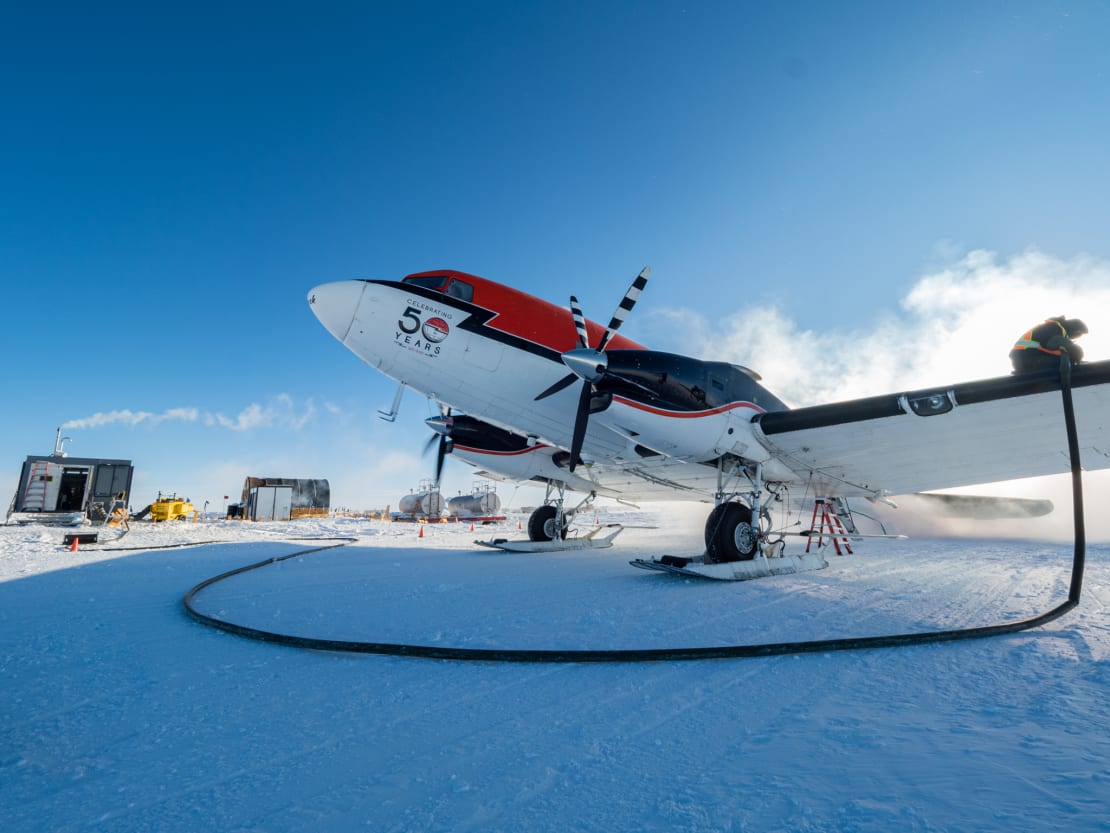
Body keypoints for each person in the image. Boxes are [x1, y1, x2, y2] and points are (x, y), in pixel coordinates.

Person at [1009, 316, 1088, 373]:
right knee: (1066, 363)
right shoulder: (1056, 327)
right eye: (1079, 335)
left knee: (1065, 361)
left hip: (1025, 359)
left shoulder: (1055, 327)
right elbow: (1054, 342)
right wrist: (1076, 352)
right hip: (1027, 359)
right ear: (1077, 331)